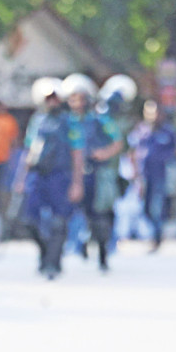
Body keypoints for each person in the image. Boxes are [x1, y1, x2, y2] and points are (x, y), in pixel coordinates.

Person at [16, 77, 84, 279]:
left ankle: (53, 263)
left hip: (60, 177)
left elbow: (77, 153)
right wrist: (21, 179)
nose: (52, 102)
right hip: (38, 176)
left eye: (55, 98)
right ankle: (45, 253)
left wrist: (77, 183)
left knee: (58, 222)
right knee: (29, 220)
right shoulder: (37, 121)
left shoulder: (70, 122)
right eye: (49, 99)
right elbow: (29, 151)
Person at [64, 74, 125, 272]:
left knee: (99, 215)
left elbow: (117, 142)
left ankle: (103, 255)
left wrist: (103, 153)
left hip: (97, 175)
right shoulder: (67, 122)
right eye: (73, 98)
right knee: (75, 214)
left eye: (81, 98)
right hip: (75, 174)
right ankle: (77, 245)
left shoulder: (100, 120)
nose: (77, 102)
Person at [128, 101, 176, 252]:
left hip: (162, 175)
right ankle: (153, 233)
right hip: (144, 176)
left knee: (158, 207)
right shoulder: (140, 131)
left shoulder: (169, 132)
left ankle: (156, 237)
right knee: (145, 209)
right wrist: (135, 172)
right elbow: (133, 153)